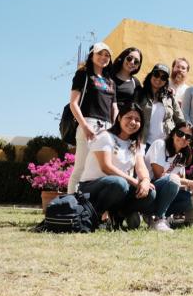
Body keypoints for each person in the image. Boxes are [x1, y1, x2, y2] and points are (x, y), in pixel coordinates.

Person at [78, 102, 156, 229]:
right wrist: (135, 182)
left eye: (137, 120)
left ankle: (119, 215)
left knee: (150, 192)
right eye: (129, 117)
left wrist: (146, 181)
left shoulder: (136, 143)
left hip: (120, 188)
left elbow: (141, 166)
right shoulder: (105, 137)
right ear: (119, 118)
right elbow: (106, 167)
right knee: (119, 183)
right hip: (93, 187)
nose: (133, 122)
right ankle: (95, 216)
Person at [67, 42, 118, 194]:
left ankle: (93, 210)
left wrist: (114, 128)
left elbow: (114, 107)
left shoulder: (111, 81)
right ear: (92, 55)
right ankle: (70, 208)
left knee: (100, 170)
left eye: (107, 55)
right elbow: (73, 103)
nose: (103, 57)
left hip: (107, 128)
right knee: (81, 168)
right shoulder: (83, 74)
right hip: (88, 123)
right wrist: (84, 125)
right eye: (100, 53)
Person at [145, 122, 193, 232]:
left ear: (190, 141)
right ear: (173, 134)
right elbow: (159, 175)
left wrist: (192, 190)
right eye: (180, 133)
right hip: (148, 190)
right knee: (173, 180)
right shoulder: (160, 144)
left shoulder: (183, 155)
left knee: (192, 200)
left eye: (188, 137)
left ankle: (155, 216)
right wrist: (189, 182)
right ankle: (158, 219)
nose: (183, 138)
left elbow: (177, 183)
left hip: (163, 191)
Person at [136, 64, 184, 149]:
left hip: (165, 144)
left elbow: (180, 120)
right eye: (156, 74)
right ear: (151, 75)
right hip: (143, 142)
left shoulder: (169, 97)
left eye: (163, 77)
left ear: (166, 81)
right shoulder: (140, 94)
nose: (159, 79)